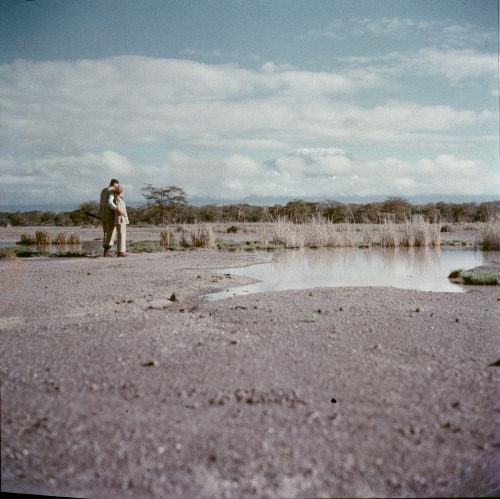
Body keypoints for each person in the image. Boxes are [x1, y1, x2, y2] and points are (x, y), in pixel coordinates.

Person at [99, 179, 119, 256]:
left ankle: (105, 251)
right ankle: (106, 251)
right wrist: (117, 208)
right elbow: (110, 202)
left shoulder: (103, 190)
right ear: (115, 185)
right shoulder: (112, 191)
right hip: (109, 213)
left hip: (102, 213)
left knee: (106, 232)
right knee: (111, 231)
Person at [109, 184, 129, 257]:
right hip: (120, 219)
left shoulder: (118, 198)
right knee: (121, 234)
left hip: (120, 218)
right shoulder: (118, 199)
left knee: (121, 234)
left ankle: (120, 251)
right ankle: (121, 251)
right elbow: (119, 210)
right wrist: (124, 214)